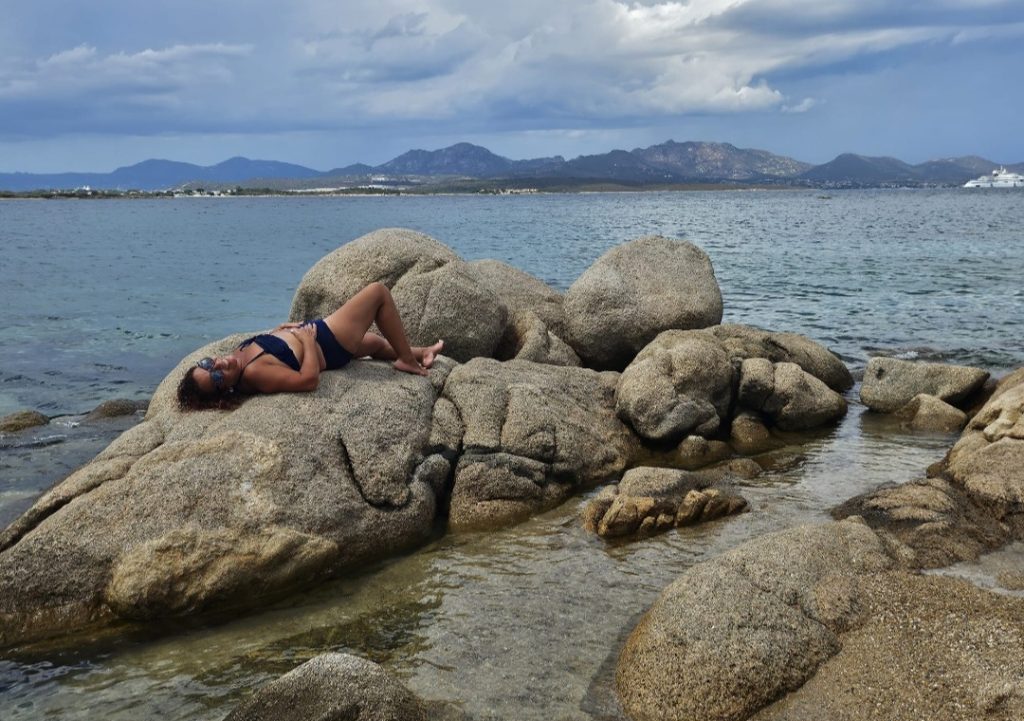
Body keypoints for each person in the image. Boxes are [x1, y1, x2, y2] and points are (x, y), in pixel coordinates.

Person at [177, 282, 443, 410]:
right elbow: (308, 381)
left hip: (320, 335)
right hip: (329, 342)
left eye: (207, 364)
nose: (218, 365)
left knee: (374, 344)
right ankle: (407, 361)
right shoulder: (255, 374)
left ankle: (422, 353)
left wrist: (277, 331)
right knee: (378, 293)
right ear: (224, 390)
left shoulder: (238, 357)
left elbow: (275, 352)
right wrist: (306, 340)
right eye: (216, 376)